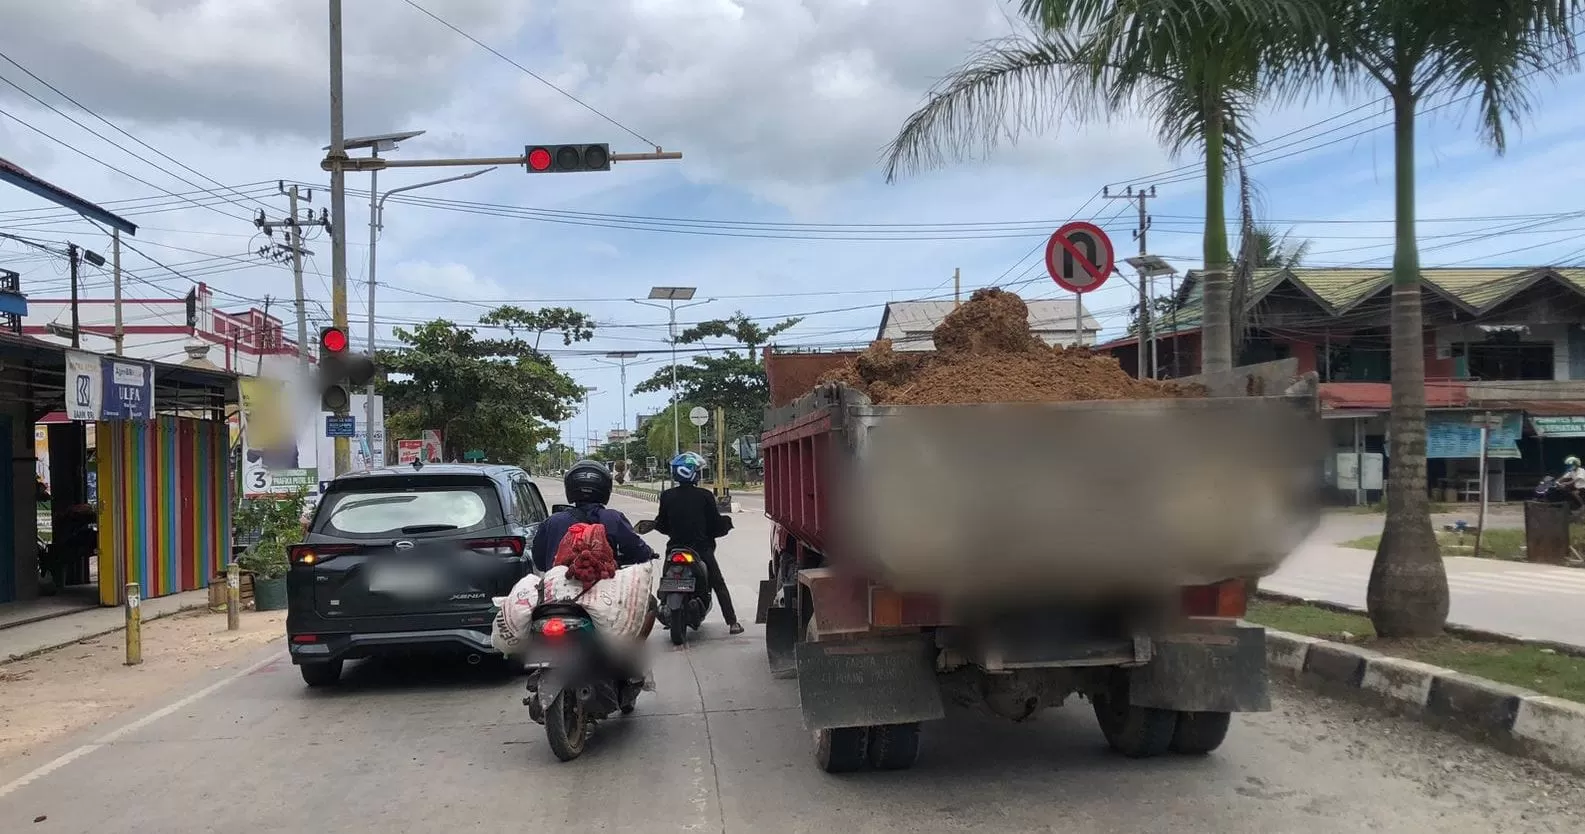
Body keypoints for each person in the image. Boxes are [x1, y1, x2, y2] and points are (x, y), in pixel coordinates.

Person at [653, 452, 742, 635]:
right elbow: (714, 524)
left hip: (675, 548)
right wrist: (724, 526)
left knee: (666, 579)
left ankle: (665, 608)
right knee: (718, 583)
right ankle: (732, 622)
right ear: (693, 473)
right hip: (701, 549)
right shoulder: (705, 495)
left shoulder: (666, 496)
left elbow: (662, 524)